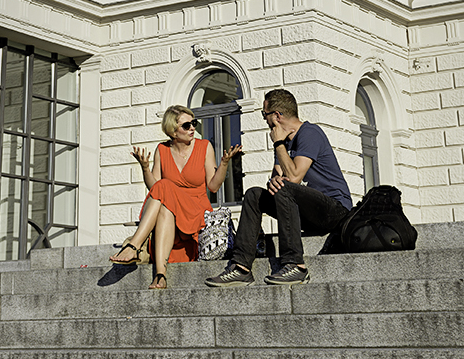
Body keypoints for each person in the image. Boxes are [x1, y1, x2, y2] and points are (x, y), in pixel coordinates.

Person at [206, 88, 351, 286]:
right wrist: (274, 178)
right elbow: (276, 180)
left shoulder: (309, 134)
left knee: (285, 187)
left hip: (334, 211)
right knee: (254, 194)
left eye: (264, 114)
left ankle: (295, 265)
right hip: (305, 212)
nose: (264, 120)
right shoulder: (282, 142)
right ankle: (241, 267)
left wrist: (279, 145)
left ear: (277, 116)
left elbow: (293, 177)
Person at [110, 104, 241, 289]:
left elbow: (213, 186)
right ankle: (160, 275)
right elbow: (154, 188)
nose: (193, 128)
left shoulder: (204, 146)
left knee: (164, 186)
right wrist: (145, 168)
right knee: (164, 205)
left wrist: (225, 164)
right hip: (172, 213)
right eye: (186, 126)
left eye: (194, 123)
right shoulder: (162, 149)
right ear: (173, 131)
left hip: (196, 210)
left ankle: (134, 245)